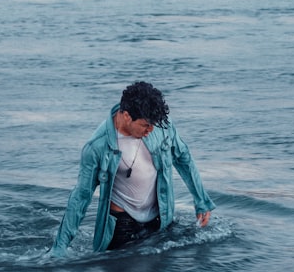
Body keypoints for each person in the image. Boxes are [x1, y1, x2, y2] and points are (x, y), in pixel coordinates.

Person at [50, 82, 215, 256]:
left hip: (160, 219)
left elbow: (183, 158)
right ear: (127, 116)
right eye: (145, 125)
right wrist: (60, 247)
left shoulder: (160, 125)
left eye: (154, 125)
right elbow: (81, 197)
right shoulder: (97, 147)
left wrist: (201, 200)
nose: (151, 130)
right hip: (122, 226)